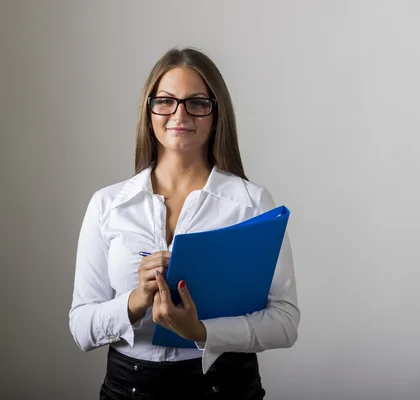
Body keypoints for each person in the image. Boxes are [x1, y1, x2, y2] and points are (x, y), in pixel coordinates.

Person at [68, 46, 300, 399]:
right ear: (149, 111)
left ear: (215, 112)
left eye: (197, 102)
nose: (180, 114)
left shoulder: (251, 203)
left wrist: (203, 331)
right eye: (165, 101)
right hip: (127, 388)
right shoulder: (107, 205)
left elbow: (284, 322)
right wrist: (134, 301)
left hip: (225, 386)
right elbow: (81, 327)